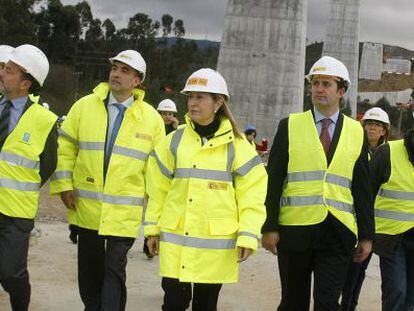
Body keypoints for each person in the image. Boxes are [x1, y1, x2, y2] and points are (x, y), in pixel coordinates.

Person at [50, 49, 165, 311]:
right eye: (115, 68)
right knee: (89, 273)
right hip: (87, 208)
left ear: (137, 81)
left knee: (114, 271)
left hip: (123, 214)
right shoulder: (84, 107)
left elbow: (157, 172)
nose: (116, 73)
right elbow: (65, 147)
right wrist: (64, 185)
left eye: (125, 70)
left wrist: (154, 224)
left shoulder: (152, 120)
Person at [144, 68, 267, 311]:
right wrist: (152, 230)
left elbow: (252, 195)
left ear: (218, 102)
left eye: (200, 97)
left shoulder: (239, 146)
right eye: (190, 97)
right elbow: (157, 191)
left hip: (214, 246)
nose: (192, 103)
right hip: (176, 240)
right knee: (173, 304)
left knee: (205, 306)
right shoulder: (173, 141)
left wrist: (248, 234)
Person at [262, 56, 374, 310]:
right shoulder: (289, 125)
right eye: (315, 83)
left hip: (337, 231)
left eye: (326, 84)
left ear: (341, 91)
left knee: (327, 303)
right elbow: (274, 179)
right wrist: (269, 226)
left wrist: (367, 235)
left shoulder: (357, 131)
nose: (319, 89)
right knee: (293, 302)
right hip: (295, 230)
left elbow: (362, 187)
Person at [0, 44, 58, 311]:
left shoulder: (44, 120)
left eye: (9, 71)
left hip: (16, 212)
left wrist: (21, 187)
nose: (2, 73)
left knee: (11, 273)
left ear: (25, 83)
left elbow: (48, 164)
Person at [341, 107, 390, 311]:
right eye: (369, 123)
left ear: (384, 131)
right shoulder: (352, 150)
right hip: (349, 218)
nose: (372, 128)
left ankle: (350, 305)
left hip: (371, 223)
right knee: (347, 268)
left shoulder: (387, 156)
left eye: (377, 125)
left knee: (359, 270)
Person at [370, 129, 414, 311]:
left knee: (411, 298)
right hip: (393, 239)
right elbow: (366, 194)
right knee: (396, 291)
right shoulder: (387, 152)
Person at [142, 98, 180, 259]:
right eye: (164, 113)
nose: (167, 116)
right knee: (151, 209)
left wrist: (176, 127)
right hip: (151, 173)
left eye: (170, 113)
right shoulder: (152, 127)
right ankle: (148, 241)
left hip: (168, 176)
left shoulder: (178, 132)